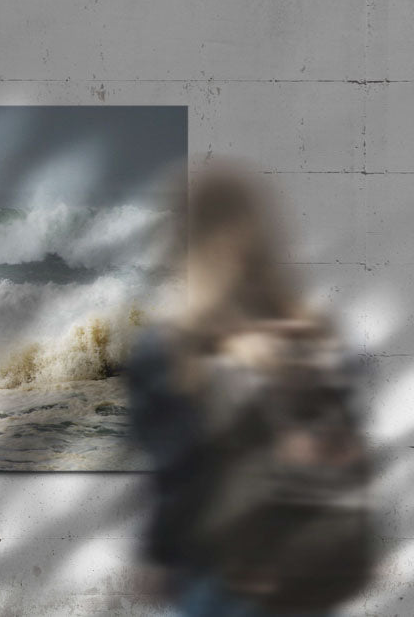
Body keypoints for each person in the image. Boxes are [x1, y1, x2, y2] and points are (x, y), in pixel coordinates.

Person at [127, 163, 372, 616]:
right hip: (306, 570)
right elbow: (352, 447)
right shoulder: (319, 337)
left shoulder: (171, 349)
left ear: (183, 241)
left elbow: (176, 477)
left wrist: (157, 556)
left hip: (218, 576)